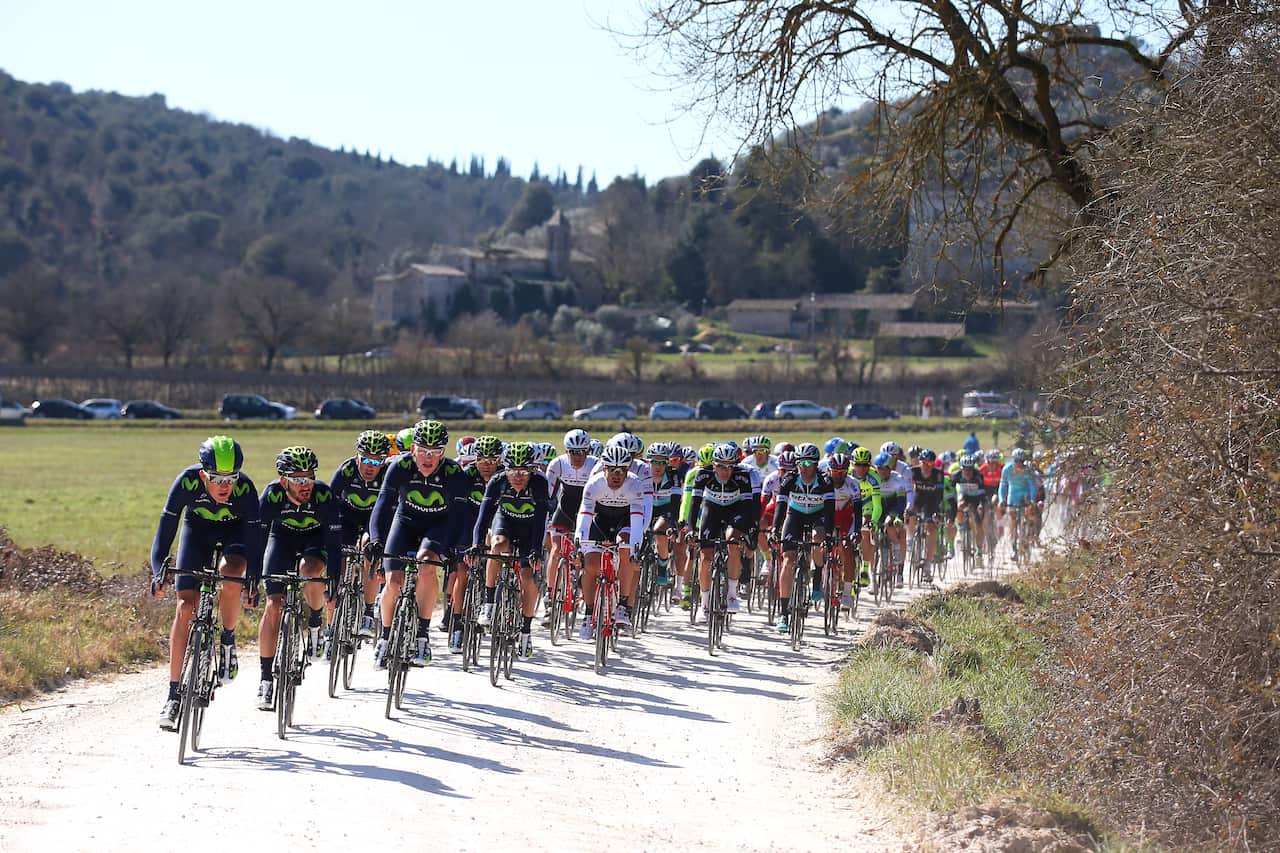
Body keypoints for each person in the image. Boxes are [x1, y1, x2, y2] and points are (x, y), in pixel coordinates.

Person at [151, 436, 259, 730]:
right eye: (216, 479)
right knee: (185, 607)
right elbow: (166, 528)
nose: (225, 486)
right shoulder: (186, 482)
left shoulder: (246, 491)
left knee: (232, 572)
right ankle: (173, 694)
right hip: (196, 533)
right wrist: (158, 570)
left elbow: (255, 540)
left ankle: (227, 639)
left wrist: (254, 579)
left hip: (235, 535)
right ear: (203, 475)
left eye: (230, 479)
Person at [367, 419, 473, 668]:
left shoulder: (452, 473)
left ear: (443, 453)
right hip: (404, 522)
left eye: (435, 452)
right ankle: (384, 636)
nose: (428, 457)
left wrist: (456, 546)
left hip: (438, 525)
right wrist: (375, 539)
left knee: (426, 564)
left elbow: (461, 515)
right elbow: (382, 505)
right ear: (413, 449)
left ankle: (423, 635)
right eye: (423, 450)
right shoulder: (399, 466)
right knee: (393, 582)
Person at [254, 446, 343, 711]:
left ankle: (316, 621)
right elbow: (257, 540)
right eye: (298, 479)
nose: (306, 485)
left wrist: (335, 580)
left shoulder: (324, 496)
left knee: (309, 570)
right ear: (284, 481)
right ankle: (266, 679)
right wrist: (251, 579)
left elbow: (335, 543)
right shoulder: (271, 495)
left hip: (315, 541)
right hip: (280, 540)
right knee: (273, 605)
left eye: (309, 477)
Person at [473, 442, 549, 658]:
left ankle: (525, 631)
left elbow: (541, 520)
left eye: (523, 471)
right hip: (505, 522)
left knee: (527, 576)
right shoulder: (497, 481)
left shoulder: (539, 484)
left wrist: (535, 550)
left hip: (530, 529)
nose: (517, 476)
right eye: (512, 470)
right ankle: (488, 603)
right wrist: (477, 543)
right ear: (504, 468)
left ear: (532, 469)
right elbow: (484, 515)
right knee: (496, 545)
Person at [574, 444, 647, 639]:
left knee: (625, 549)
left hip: (625, 521)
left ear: (628, 470)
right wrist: (579, 543)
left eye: (622, 470)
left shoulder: (636, 485)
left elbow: (638, 521)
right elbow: (584, 516)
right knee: (590, 565)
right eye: (612, 469)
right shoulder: (594, 484)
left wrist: (635, 549)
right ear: (603, 468)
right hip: (600, 521)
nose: (616, 474)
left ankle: (623, 605)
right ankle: (589, 614)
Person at [328, 430, 392, 641]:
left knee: (369, 547)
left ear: (384, 461)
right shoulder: (346, 470)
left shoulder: (387, 474)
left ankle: (367, 611)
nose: (370, 466)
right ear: (357, 456)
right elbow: (328, 502)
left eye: (377, 461)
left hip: (373, 519)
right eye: (365, 459)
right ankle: (333, 620)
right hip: (346, 516)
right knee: (342, 557)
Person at [770, 443, 834, 633]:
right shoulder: (789, 479)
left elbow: (830, 511)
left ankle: (816, 582)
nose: (804, 467)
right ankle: (784, 613)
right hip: (795, 515)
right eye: (800, 463)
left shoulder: (825, 481)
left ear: (816, 464)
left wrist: (829, 535)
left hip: (818, 515)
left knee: (817, 538)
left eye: (809, 463)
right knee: (788, 560)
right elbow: (780, 506)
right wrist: (774, 528)